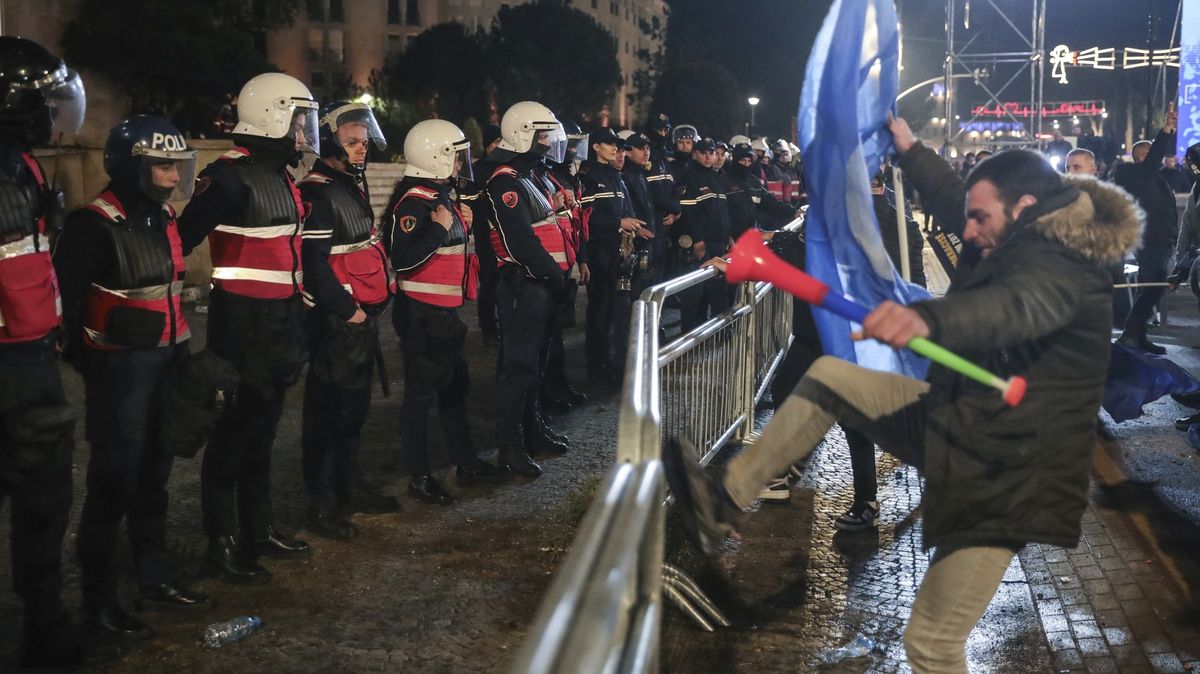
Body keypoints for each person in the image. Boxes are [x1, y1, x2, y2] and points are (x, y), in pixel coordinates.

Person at [668, 117, 1143, 672]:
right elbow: (954, 199)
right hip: (964, 426)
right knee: (832, 379)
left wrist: (923, 320)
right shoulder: (1013, 229)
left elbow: (1011, 310)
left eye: (979, 218)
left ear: (1025, 206)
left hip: (1009, 479)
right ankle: (721, 500)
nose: (965, 230)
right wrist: (911, 149)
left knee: (933, 644)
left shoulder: (1066, 266)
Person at [55, 116, 212, 644]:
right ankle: (98, 600)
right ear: (131, 166)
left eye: (176, 165)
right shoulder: (90, 223)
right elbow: (65, 313)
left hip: (167, 362)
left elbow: (169, 290)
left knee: (155, 481)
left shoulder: (163, 217)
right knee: (112, 486)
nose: (172, 176)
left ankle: (154, 579)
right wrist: (99, 367)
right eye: (162, 165)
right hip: (121, 371)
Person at [0, 36, 123, 668]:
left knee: (45, 500)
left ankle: (44, 629)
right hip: (11, 366)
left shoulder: (25, 168)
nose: (55, 116)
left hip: (31, 362)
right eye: (44, 103)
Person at [179, 72, 320, 584]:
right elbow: (183, 237)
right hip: (239, 323)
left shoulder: (278, 173)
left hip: (280, 321)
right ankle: (220, 543)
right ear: (272, 114)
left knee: (262, 432)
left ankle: (257, 531)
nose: (304, 133)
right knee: (231, 434)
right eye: (299, 120)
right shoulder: (229, 175)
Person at [384, 119, 512, 504]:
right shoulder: (414, 202)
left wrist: (460, 225)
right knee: (420, 398)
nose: (460, 165)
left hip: (442, 316)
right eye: (456, 157)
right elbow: (402, 259)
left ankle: (466, 461)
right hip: (422, 316)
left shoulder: (436, 197)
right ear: (435, 157)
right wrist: (440, 229)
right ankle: (419, 476)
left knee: (455, 389)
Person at [297, 101, 397, 540]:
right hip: (338, 322)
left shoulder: (346, 184)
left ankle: (348, 485)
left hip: (358, 318)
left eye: (363, 141)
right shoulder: (318, 190)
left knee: (353, 409)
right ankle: (319, 501)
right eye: (352, 142)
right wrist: (348, 310)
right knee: (327, 411)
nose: (362, 149)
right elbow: (314, 264)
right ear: (330, 142)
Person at [485, 101, 572, 478]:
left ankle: (532, 429)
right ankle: (511, 445)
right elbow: (520, 241)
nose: (548, 142)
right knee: (519, 368)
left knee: (536, 364)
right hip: (524, 286)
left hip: (541, 285)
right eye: (542, 134)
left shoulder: (529, 176)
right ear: (522, 134)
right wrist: (556, 275)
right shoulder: (505, 181)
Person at [578, 127, 644, 384]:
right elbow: (587, 219)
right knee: (599, 312)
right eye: (609, 144)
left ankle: (611, 363)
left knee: (615, 313)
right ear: (595, 147)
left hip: (617, 254)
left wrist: (629, 225)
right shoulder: (591, 176)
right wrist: (619, 222)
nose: (615, 148)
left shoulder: (616, 176)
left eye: (617, 144)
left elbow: (624, 208)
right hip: (598, 252)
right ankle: (596, 368)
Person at [1114, 107, 1178, 355]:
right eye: (1152, 153)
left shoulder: (1152, 176)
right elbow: (1152, 162)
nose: (1160, 157)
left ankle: (1138, 337)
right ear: (1142, 157)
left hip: (1161, 239)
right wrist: (1165, 132)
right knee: (1153, 287)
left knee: (1149, 288)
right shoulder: (1131, 174)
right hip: (1150, 240)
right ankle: (1131, 334)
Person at [676, 138, 732, 331]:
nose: (709, 157)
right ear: (695, 155)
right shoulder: (690, 178)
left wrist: (728, 237)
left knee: (717, 292)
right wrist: (697, 240)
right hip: (701, 244)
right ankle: (689, 336)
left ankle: (718, 333)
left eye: (712, 153)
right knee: (695, 292)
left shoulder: (716, 179)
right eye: (704, 153)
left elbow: (723, 214)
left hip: (719, 243)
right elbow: (688, 214)